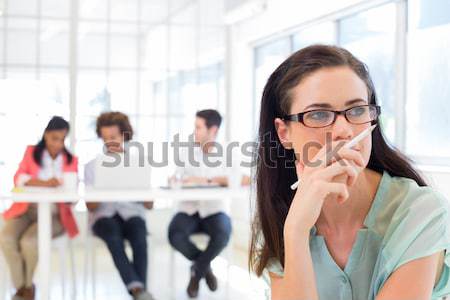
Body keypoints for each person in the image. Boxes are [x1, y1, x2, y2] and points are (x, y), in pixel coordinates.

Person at [249, 45, 450, 300]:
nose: (344, 130)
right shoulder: (280, 217)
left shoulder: (420, 213)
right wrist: (296, 231)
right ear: (284, 133)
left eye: (356, 110)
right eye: (319, 114)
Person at [0, 116, 79, 300]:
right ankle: (23, 288)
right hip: (26, 209)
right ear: (45, 134)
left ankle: (26, 290)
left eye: (62, 139)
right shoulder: (31, 152)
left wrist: (67, 193)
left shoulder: (70, 160)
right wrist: (45, 183)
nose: (58, 143)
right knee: (6, 238)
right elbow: (19, 180)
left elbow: (72, 194)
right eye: (54, 138)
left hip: (55, 214)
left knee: (29, 242)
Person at [84, 111, 154, 300]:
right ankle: (138, 290)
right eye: (105, 138)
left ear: (124, 135)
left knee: (140, 237)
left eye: (113, 137)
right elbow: (90, 206)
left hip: (132, 213)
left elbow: (149, 205)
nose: (109, 142)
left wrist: (142, 193)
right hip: (103, 217)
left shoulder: (139, 163)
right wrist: (103, 187)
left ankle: (139, 290)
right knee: (113, 237)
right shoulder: (92, 166)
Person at [168, 109, 232, 298]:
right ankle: (204, 267)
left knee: (223, 234)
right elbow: (178, 177)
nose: (194, 131)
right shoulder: (186, 151)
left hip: (215, 210)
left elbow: (242, 179)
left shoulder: (227, 152)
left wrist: (204, 180)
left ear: (213, 130)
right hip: (189, 209)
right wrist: (175, 180)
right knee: (174, 234)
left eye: (198, 127)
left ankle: (196, 271)